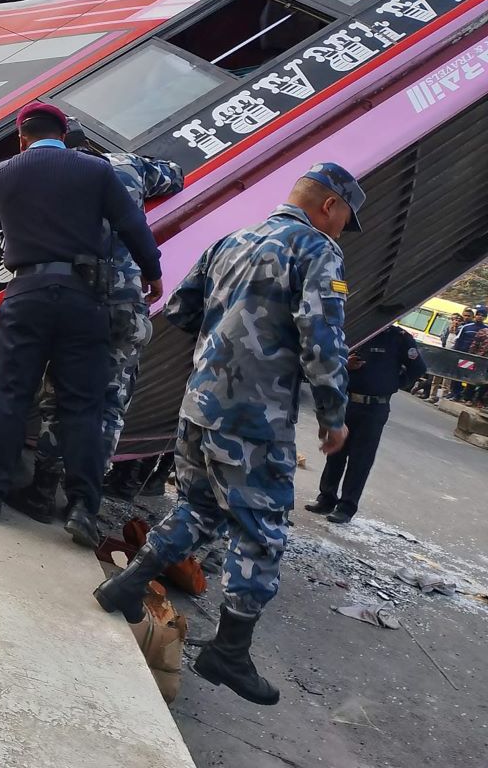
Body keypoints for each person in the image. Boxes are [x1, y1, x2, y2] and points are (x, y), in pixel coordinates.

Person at [95, 162, 363, 706]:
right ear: (329, 206)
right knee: (261, 530)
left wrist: (227, 340)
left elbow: (179, 308)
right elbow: (324, 338)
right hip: (254, 421)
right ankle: (230, 651)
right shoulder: (316, 251)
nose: (341, 232)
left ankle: (124, 586)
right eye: (344, 220)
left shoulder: (231, 240)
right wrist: (334, 415)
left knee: (199, 510)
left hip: (200, 405)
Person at [0, 102, 163, 540]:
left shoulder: (0, 174)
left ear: (21, 137)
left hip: (27, 294)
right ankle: (81, 511)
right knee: (84, 406)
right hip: (85, 299)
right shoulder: (96, 172)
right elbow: (132, 225)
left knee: (12, 397)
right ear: (65, 132)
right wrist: (152, 273)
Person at [11, 140, 185, 522]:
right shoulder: (128, 166)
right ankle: (82, 507)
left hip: (75, 303)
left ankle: (42, 493)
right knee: (109, 406)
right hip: (126, 306)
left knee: (61, 398)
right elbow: (176, 176)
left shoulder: (49, 179)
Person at [304, 326, 426, 524]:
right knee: (336, 452)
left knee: (361, 458)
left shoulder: (399, 338)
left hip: (374, 408)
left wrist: (394, 383)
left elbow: (418, 368)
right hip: (346, 401)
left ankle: (346, 507)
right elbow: (330, 361)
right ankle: (326, 498)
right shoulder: (359, 328)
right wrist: (346, 365)